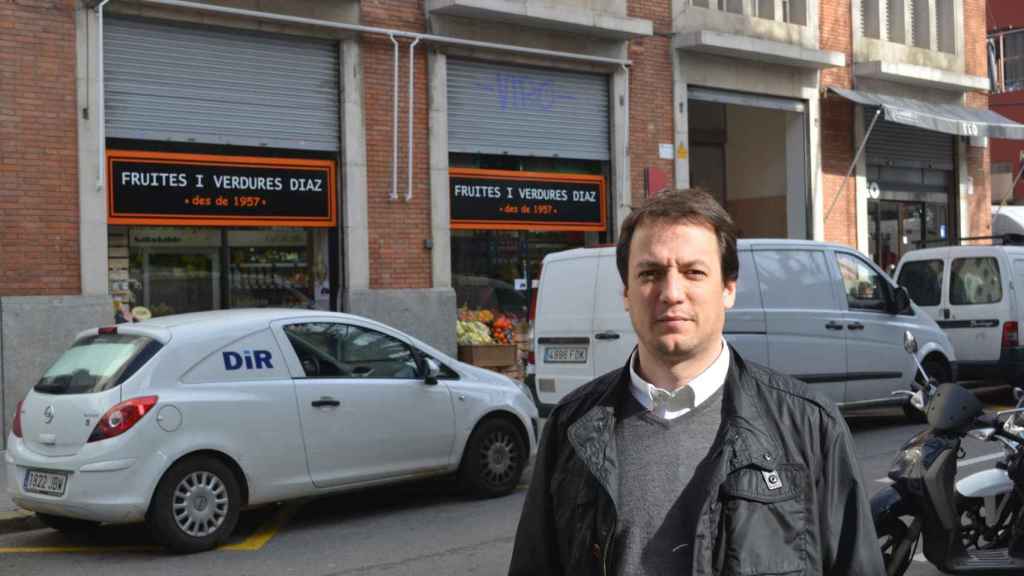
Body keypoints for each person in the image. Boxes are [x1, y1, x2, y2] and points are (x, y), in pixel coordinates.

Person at [508, 189, 882, 575]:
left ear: (728, 289)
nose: (671, 293)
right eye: (650, 273)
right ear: (626, 293)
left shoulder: (811, 427)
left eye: (694, 272)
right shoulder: (571, 430)